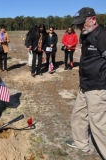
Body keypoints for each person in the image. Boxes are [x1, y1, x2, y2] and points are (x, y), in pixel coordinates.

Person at [66, 7, 106, 159]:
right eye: (77, 24)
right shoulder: (85, 35)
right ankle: (82, 143)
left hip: (98, 87)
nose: (79, 27)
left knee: (98, 125)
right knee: (78, 115)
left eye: (82, 23)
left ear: (93, 19)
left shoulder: (102, 35)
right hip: (85, 85)